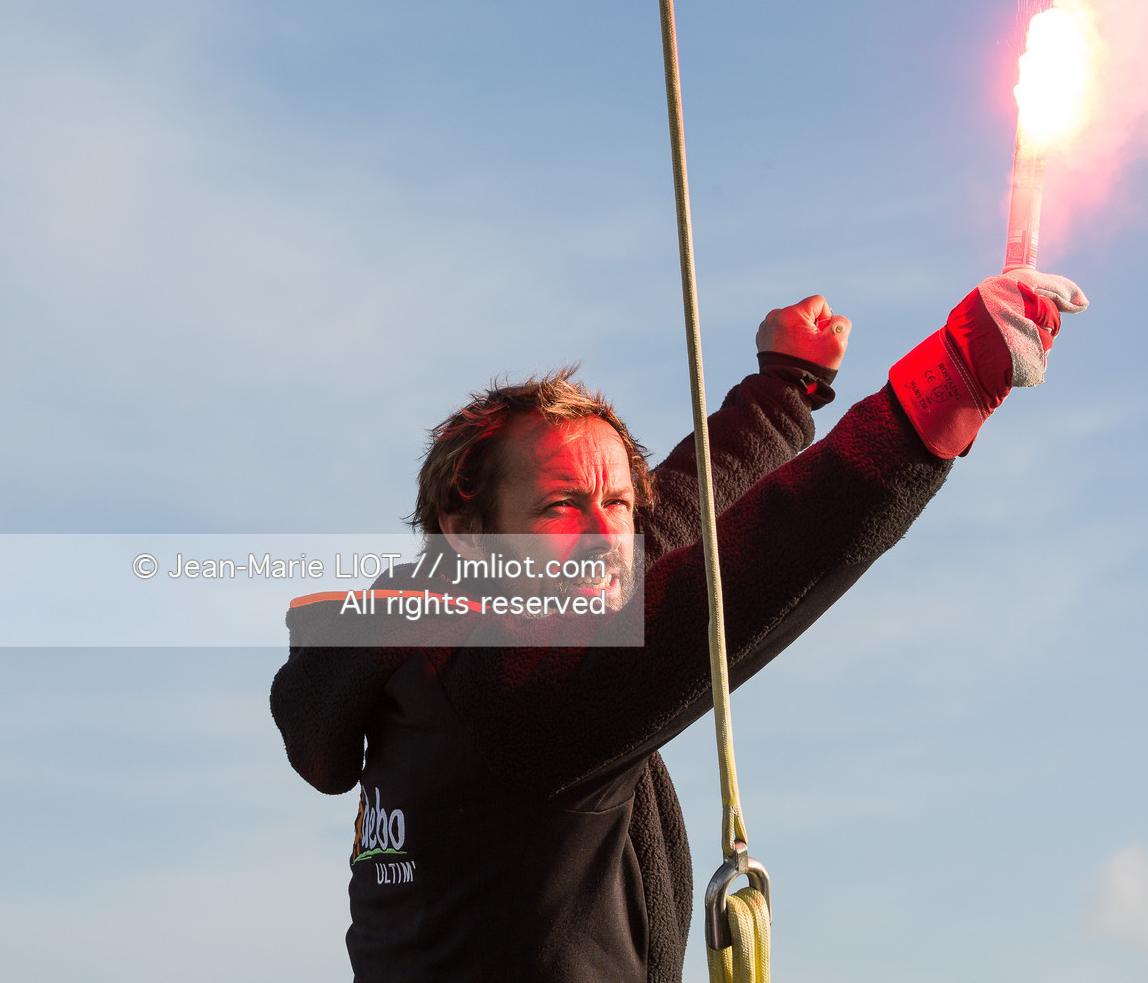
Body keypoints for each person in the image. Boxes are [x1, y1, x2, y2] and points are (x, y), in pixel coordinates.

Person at [271, 268, 1088, 982]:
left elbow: (670, 526)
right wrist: (947, 388)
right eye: (561, 506)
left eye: (616, 502)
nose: (604, 536)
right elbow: (744, 570)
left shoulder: (429, 656)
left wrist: (782, 389)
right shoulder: (503, 690)